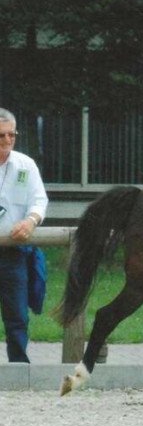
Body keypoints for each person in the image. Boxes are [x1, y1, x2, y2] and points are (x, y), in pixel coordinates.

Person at [0, 108, 48, 362]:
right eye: (1, 136)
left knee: (18, 316)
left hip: (13, 252)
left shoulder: (25, 165)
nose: (8, 141)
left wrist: (31, 221)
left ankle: (19, 370)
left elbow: (39, 201)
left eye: (12, 134)